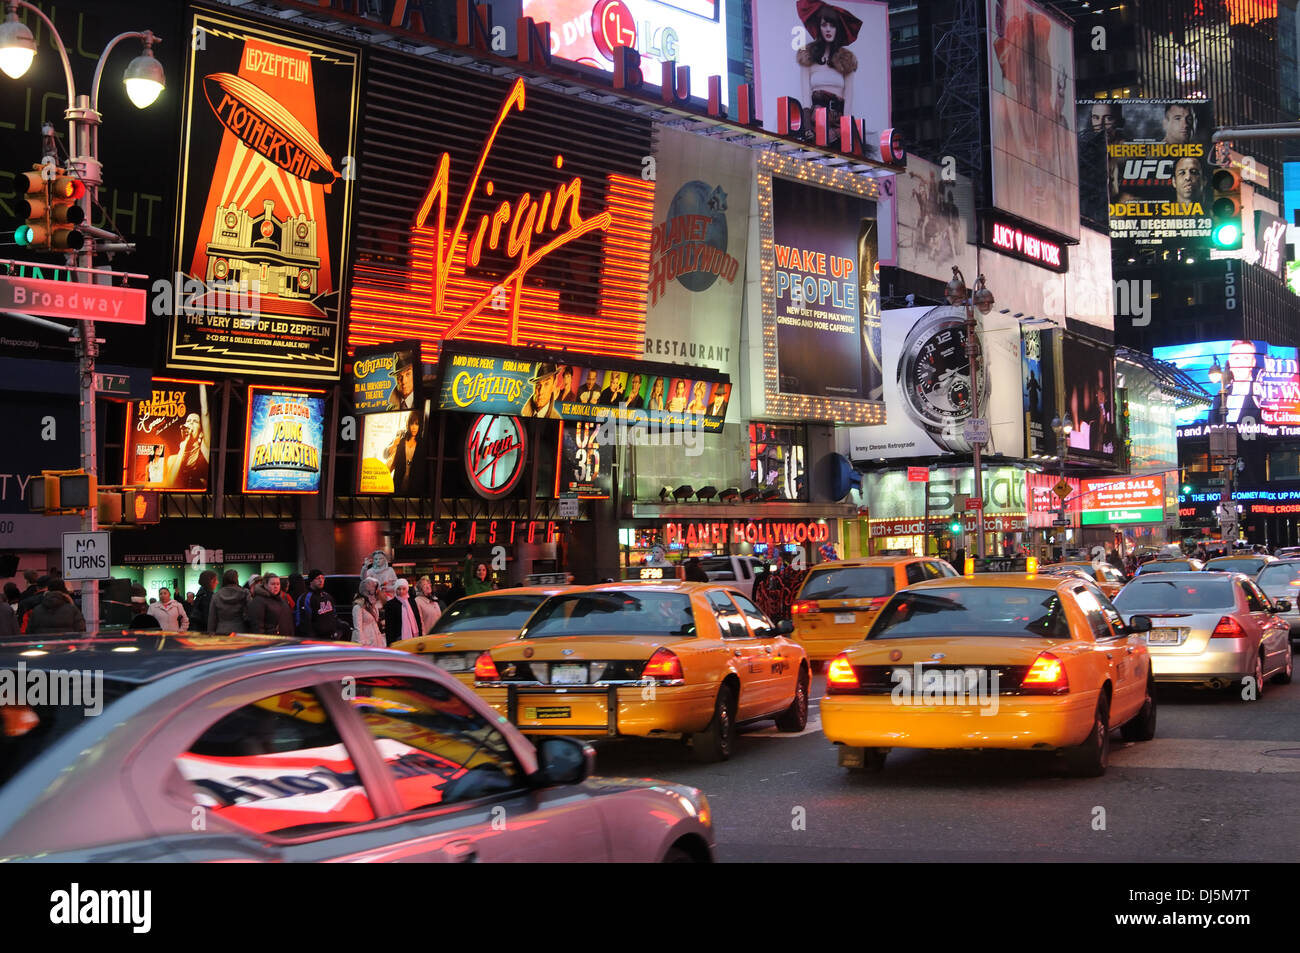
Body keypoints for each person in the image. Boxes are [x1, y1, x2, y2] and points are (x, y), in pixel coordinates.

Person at [797, 1, 862, 147]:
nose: (828, 29)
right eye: (824, 25)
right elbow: (805, 96)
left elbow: (849, 98)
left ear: (837, 29)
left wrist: (846, 130)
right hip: (815, 120)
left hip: (839, 121)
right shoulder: (808, 57)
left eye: (832, 25)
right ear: (818, 27)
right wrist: (807, 126)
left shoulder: (847, 60)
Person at [166, 409, 210, 490]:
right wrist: (184, 446)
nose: (191, 423)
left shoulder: (204, 455)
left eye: (195, 421)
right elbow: (170, 484)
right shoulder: (172, 459)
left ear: (201, 433)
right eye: (188, 421)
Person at [384, 410, 422, 495]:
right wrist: (393, 445)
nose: (414, 427)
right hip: (398, 481)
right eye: (412, 423)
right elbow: (385, 454)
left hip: (413, 485)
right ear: (408, 424)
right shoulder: (401, 436)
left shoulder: (421, 442)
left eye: (417, 424)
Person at [299, 570, 341, 640]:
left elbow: (334, 616)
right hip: (317, 640)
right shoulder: (306, 598)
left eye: (322, 578)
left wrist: (337, 630)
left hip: (331, 638)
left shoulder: (327, 596)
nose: (321, 580)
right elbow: (305, 622)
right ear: (311, 581)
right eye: (318, 578)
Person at [209, 569, 250, 633]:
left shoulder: (216, 595)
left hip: (221, 631)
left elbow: (212, 619)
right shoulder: (244, 593)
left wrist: (210, 634)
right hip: (240, 631)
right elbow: (250, 613)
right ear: (236, 579)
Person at [383, 579, 421, 646]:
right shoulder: (390, 604)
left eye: (404, 589)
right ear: (395, 589)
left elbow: (417, 619)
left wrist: (420, 635)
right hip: (398, 638)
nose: (401, 591)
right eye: (399, 589)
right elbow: (389, 626)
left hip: (414, 636)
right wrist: (390, 643)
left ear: (407, 589)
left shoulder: (412, 601)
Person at [351, 577, 385, 648]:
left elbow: (375, 623)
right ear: (365, 592)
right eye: (371, 592)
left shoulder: (372, 605)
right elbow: (358, 628)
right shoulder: (358, 607)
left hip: (376, 641)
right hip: (366, 643)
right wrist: (362, 645)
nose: (374, 594)